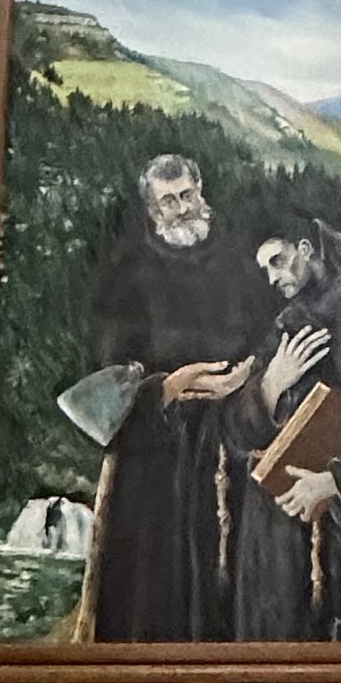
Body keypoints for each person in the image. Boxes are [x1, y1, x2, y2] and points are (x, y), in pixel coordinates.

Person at [83, 152, 265, 642]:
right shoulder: (128, 275)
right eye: (168, 201)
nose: (182, 209)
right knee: (154, 597)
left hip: (230, 444)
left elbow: (265, 338)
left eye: (187, 195)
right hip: (155, 463)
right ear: (151, 209)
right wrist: (174, 385)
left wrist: (244, 378)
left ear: (201, 192)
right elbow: (106, 378)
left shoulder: (238, 262)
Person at [230, 216, 341, 644]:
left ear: (306, 249)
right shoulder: (290, 320)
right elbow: (239, 427)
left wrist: (339, 482)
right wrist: (271, 384)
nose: (272, 277)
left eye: (278, 261)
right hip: (276, 530)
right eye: (265, 269)